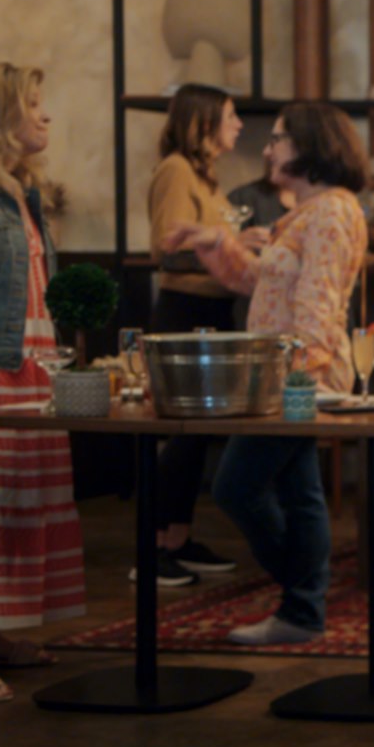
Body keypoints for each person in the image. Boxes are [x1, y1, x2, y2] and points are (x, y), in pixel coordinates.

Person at [164, 102, 368, 648]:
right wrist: (215, 244)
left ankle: (302, 591)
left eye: (279, 138)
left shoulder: (330, 210)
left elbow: (317, 306)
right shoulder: (306, 210)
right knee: (300, 492)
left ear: (311, 147)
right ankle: (301, 609)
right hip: (280, 375)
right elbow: (262, 283)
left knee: (236, 486)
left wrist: (299, 385)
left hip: (296, 378)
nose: (268, 148)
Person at [0, 62, 85, 704]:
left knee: (19, 506)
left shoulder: (21, 192)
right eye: (31, 103)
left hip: (30, 363)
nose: (45, 114)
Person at [145, 83, 247, 587]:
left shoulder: (207, 179)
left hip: (213, 308)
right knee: (181, 438)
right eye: (230, 116)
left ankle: (178, 538)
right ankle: (154, 548)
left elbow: (212, 242)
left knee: (199, 437)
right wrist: (229, 245)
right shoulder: (176, 170)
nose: (238, 125)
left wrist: (237, 244)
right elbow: (167, 251)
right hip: (185, 309)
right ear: (204, 121)